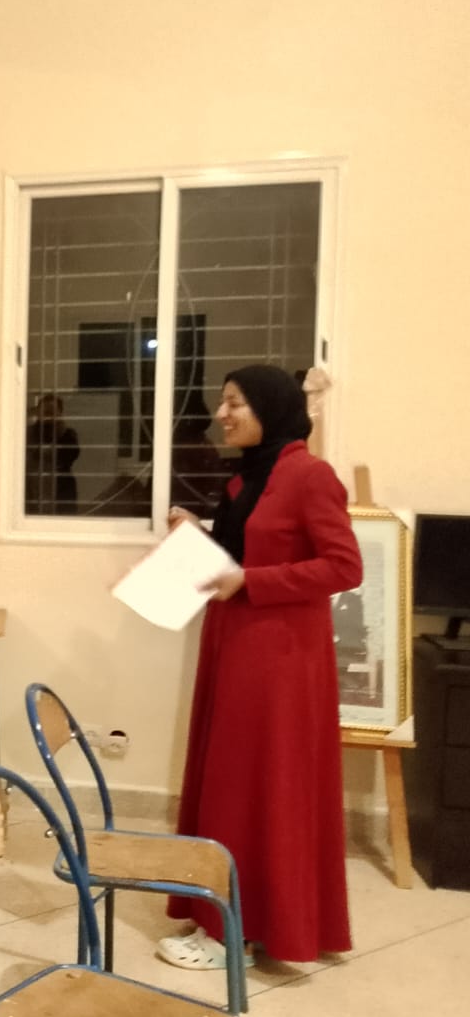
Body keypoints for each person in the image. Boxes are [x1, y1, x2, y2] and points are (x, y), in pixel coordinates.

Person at [160, 364, 362, 969]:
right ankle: (234, 919)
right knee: (230, 783)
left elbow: (344, 566)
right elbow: (241, 557)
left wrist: (252, 580)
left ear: (269, 410)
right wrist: (197, 536)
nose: (221, 414)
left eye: (234, 403)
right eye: (222, 403)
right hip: (234, 644)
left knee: (257, 787)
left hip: (278, 659)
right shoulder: (248, 477)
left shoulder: (310, 475)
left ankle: (234, 934)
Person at [25, 393, 80, 515]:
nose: (48, 415)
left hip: (61, 489)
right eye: (45, 411)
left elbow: (70, 455)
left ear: (60, 413)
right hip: (33, 486)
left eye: (52, 411)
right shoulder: (28, 433)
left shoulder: (67, 434)